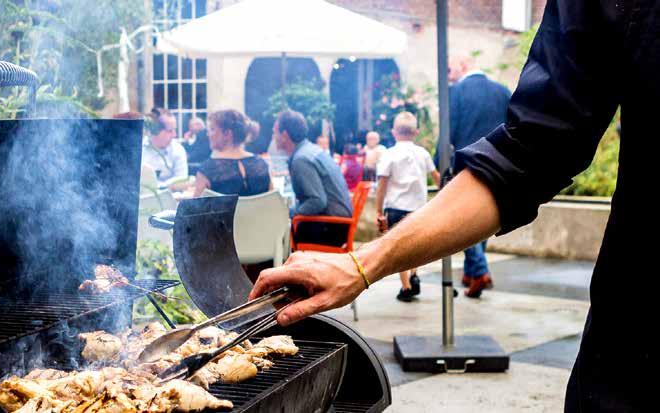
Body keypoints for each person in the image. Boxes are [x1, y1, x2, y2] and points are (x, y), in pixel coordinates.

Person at [252, 0, 656, 410]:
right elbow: (530, 153)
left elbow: (516, 153)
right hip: (634, 354)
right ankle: (477, 272)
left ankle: (475, 272)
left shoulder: (459, 95)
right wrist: (361, 264)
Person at [434, 55, 511, 298]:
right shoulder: (502, 91)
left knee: (463, 218)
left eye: (450, 68)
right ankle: (470, 272)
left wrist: (438, 164)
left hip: (467, 162)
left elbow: (448, 131)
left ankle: (479, 271)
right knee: (484, 215)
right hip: (499, 162)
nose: (448, 74)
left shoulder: (455, 92)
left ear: (464, 65)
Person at [377, 112, 440, 302]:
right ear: (416, 133)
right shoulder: (423, 153)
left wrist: (379, 211)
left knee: (399, 249)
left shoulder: (389, 154)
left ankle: (405, 287)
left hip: (396, 208)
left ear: (394, 132)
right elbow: (437, 178)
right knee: (415, 247)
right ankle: (414, 274)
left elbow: (382, 185)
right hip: (419, 209)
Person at [274, 110, 352, 247]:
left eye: (275, 132)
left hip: (331, 227)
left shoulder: (301, 159)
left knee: (276, 230)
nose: (274, 137)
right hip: (338, 222)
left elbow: (317, 201)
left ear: (285, 135)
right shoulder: (310, 150)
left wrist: (291, 213)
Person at [193, 109, 271, 197]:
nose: (208, 134)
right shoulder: (261, 165)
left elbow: (194, 210)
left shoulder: (207, 171)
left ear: (227, 134)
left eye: (212, 129)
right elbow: (274, 202)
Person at [142, 109, 188, 184]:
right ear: (155, 131)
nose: (174, 135)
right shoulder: (139, 149)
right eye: (170, 131)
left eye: (174, 130)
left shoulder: (178, 150)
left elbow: (181, 181)